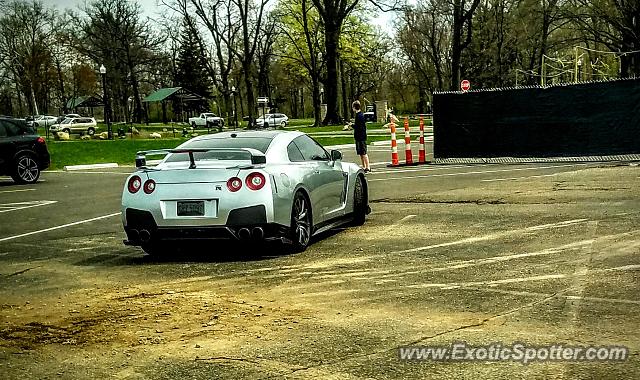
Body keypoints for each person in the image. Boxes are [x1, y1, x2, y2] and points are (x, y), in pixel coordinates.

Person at [351, 100, 370, 173]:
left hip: (361, 137)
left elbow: (359, 127)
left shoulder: (360, 116)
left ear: (354, 107)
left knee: (364, 152)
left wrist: (352, 125)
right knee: (361, 153)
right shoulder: (358, 115)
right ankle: (364, 166)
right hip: (359, 137)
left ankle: (368, 166)